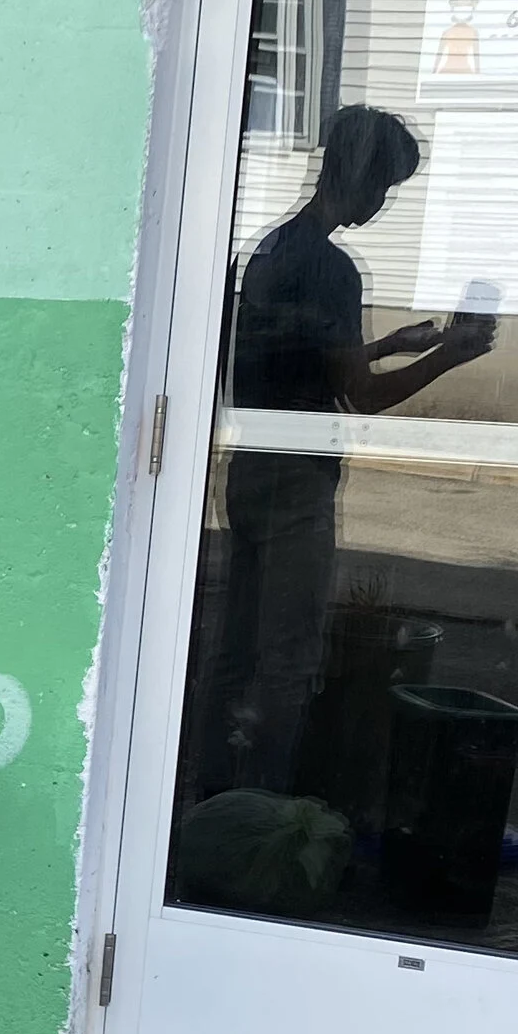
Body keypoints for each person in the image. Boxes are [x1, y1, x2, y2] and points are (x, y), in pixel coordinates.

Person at [198, 104, 493, 800]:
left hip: (249, 467)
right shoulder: (331, 268)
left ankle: (209, 793)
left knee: (237, 648)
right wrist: (450, 358)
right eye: (385, 185)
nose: (383, 201)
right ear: (358, 176)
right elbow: (359, 396)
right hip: (296, 478)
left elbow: (301, 359)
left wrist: (391, 344)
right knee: (290, 659)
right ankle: (264, 806)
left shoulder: (270, 249)